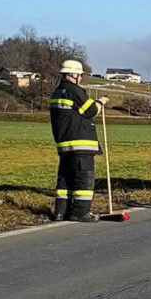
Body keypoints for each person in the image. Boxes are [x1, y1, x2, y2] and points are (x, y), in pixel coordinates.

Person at [48, 60, 108, 222]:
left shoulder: (57, 92)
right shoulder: (74, 91)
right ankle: (80, 212)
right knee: (84, 178)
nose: (81, 78)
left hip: (64, 143)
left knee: (65, 178)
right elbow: (91, 111)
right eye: (80, 75)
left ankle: (61, 211)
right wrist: (101, 102)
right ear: (73, 75)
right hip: (81, 143)